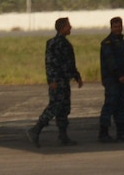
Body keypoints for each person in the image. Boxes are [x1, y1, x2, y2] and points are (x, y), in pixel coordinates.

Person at [27, 16, 83, 147]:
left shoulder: (66, 44)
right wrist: (52, 80)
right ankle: (36, 130)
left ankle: (63, 136)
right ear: (62, 28)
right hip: (57, 82)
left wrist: (77, 76)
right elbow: (50, 63)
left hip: (64, 81)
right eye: (68, 25)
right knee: (54, 107)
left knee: (64, 109)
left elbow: (70, 63)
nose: (71, 27)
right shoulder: (53, 43)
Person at [97, 16, 124, 142]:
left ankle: (121, 132)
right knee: (110, 105)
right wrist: (119, 75)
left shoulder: (121, 41)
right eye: (115, 26)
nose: (118, 29)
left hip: (122, 79)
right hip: (112, 79)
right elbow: (111, 62)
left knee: (121, 106)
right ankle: (103, 133)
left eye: (119, 26)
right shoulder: (107, 43)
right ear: (111, 27)